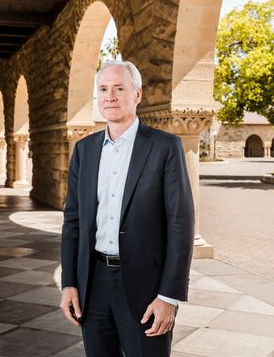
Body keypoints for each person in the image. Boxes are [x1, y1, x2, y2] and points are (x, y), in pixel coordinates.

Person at [60, 60, 194, 357]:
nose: (110, 96)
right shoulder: (84, 150)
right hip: (92, 285)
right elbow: (73, 222)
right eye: (104, 89)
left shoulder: (164, 147)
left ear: (137, 94)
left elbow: (180, 225)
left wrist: (169, 296)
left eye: (119, 88)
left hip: (146, 289)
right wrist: (69, 282)